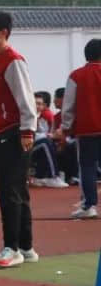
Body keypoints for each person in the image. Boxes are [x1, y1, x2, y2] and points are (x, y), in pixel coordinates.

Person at [0, 11, 39, 268]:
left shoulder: (13, 61)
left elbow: (26, 99)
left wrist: (27, 131)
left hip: (15, 133)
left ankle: (12, 248)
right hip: (4, 132)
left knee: (9, 191)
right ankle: (26, 247)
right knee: (18, 190)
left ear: (3, 32)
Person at [61, 38, 101, 219]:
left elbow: (68, 106)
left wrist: (66, 127)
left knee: (87, 167)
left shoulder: (76, 76)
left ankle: (89, 205)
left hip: (87, 129)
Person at [31, 91, 66, 188]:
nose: (37, 106)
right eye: (35, 103)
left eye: (40, 104)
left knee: (47, 143)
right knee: (45, 142)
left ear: (44, 105)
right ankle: (53, 176)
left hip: (34, 143)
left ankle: (40, 176)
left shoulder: (44, 115)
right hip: (23, 146)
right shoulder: (29, 116)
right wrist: (49, 135)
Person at [53, 88, 80, 186]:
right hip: (61, 142)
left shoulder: (76, 113)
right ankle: (60, 174)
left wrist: (64, 138)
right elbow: (53, 132)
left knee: (72, 145)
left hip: (74, 141)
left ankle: (75, 175)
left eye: (55, 98)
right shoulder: (56, 117)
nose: (53, 101)